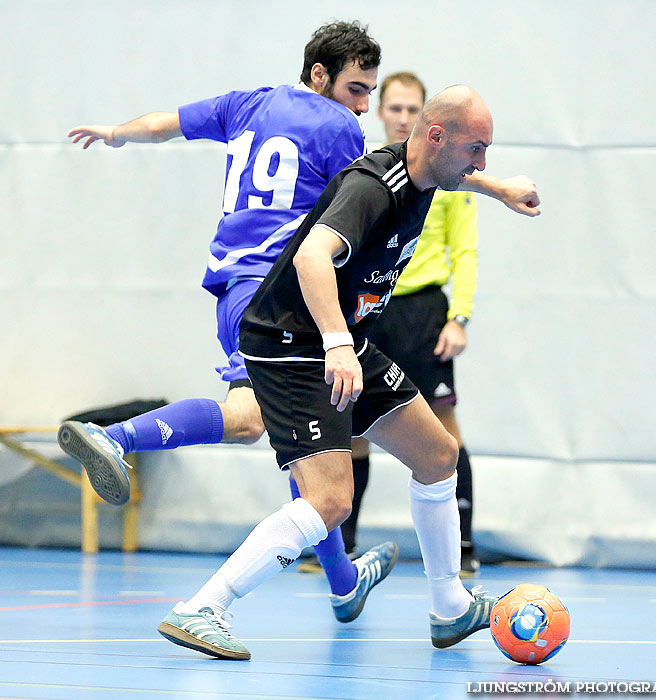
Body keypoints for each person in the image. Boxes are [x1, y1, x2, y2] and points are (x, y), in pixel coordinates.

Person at [59, 22, 537, 625]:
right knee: (276, 446)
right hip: (289, 309)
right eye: (359, 91)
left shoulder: (250, 103)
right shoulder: (347, 145)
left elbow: (164, 124)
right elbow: (328, 236)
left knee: (431, 454)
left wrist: (114, 132)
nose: (363, 107)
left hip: (260, 293)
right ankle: (195, 584)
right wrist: (338, 343)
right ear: (320, 77)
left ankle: (390, 592)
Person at [153, 85, 540, 660]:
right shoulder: (372, 187)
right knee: (330, 499)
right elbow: (312, 256)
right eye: (476, 149)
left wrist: (497, 187)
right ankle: (202, 608)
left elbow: (456, 174)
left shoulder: (428, 174)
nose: (481, 161)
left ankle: (450, 607)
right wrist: (336, 344)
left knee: (437, 456)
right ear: (436, 137)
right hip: (292, 343)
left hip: (338, 340)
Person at [349, 71, 482, 576]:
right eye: (395, 108)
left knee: (444, 428)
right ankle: (341, 543)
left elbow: (464, 250)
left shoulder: (450, 178)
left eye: (412, 110)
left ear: (429, 122)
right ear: (381, 112)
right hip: (369, 309)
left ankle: (463, 546)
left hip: (423, 313)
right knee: (354, 423)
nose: (402, 117)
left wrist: (459, 317)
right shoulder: (370, 174)